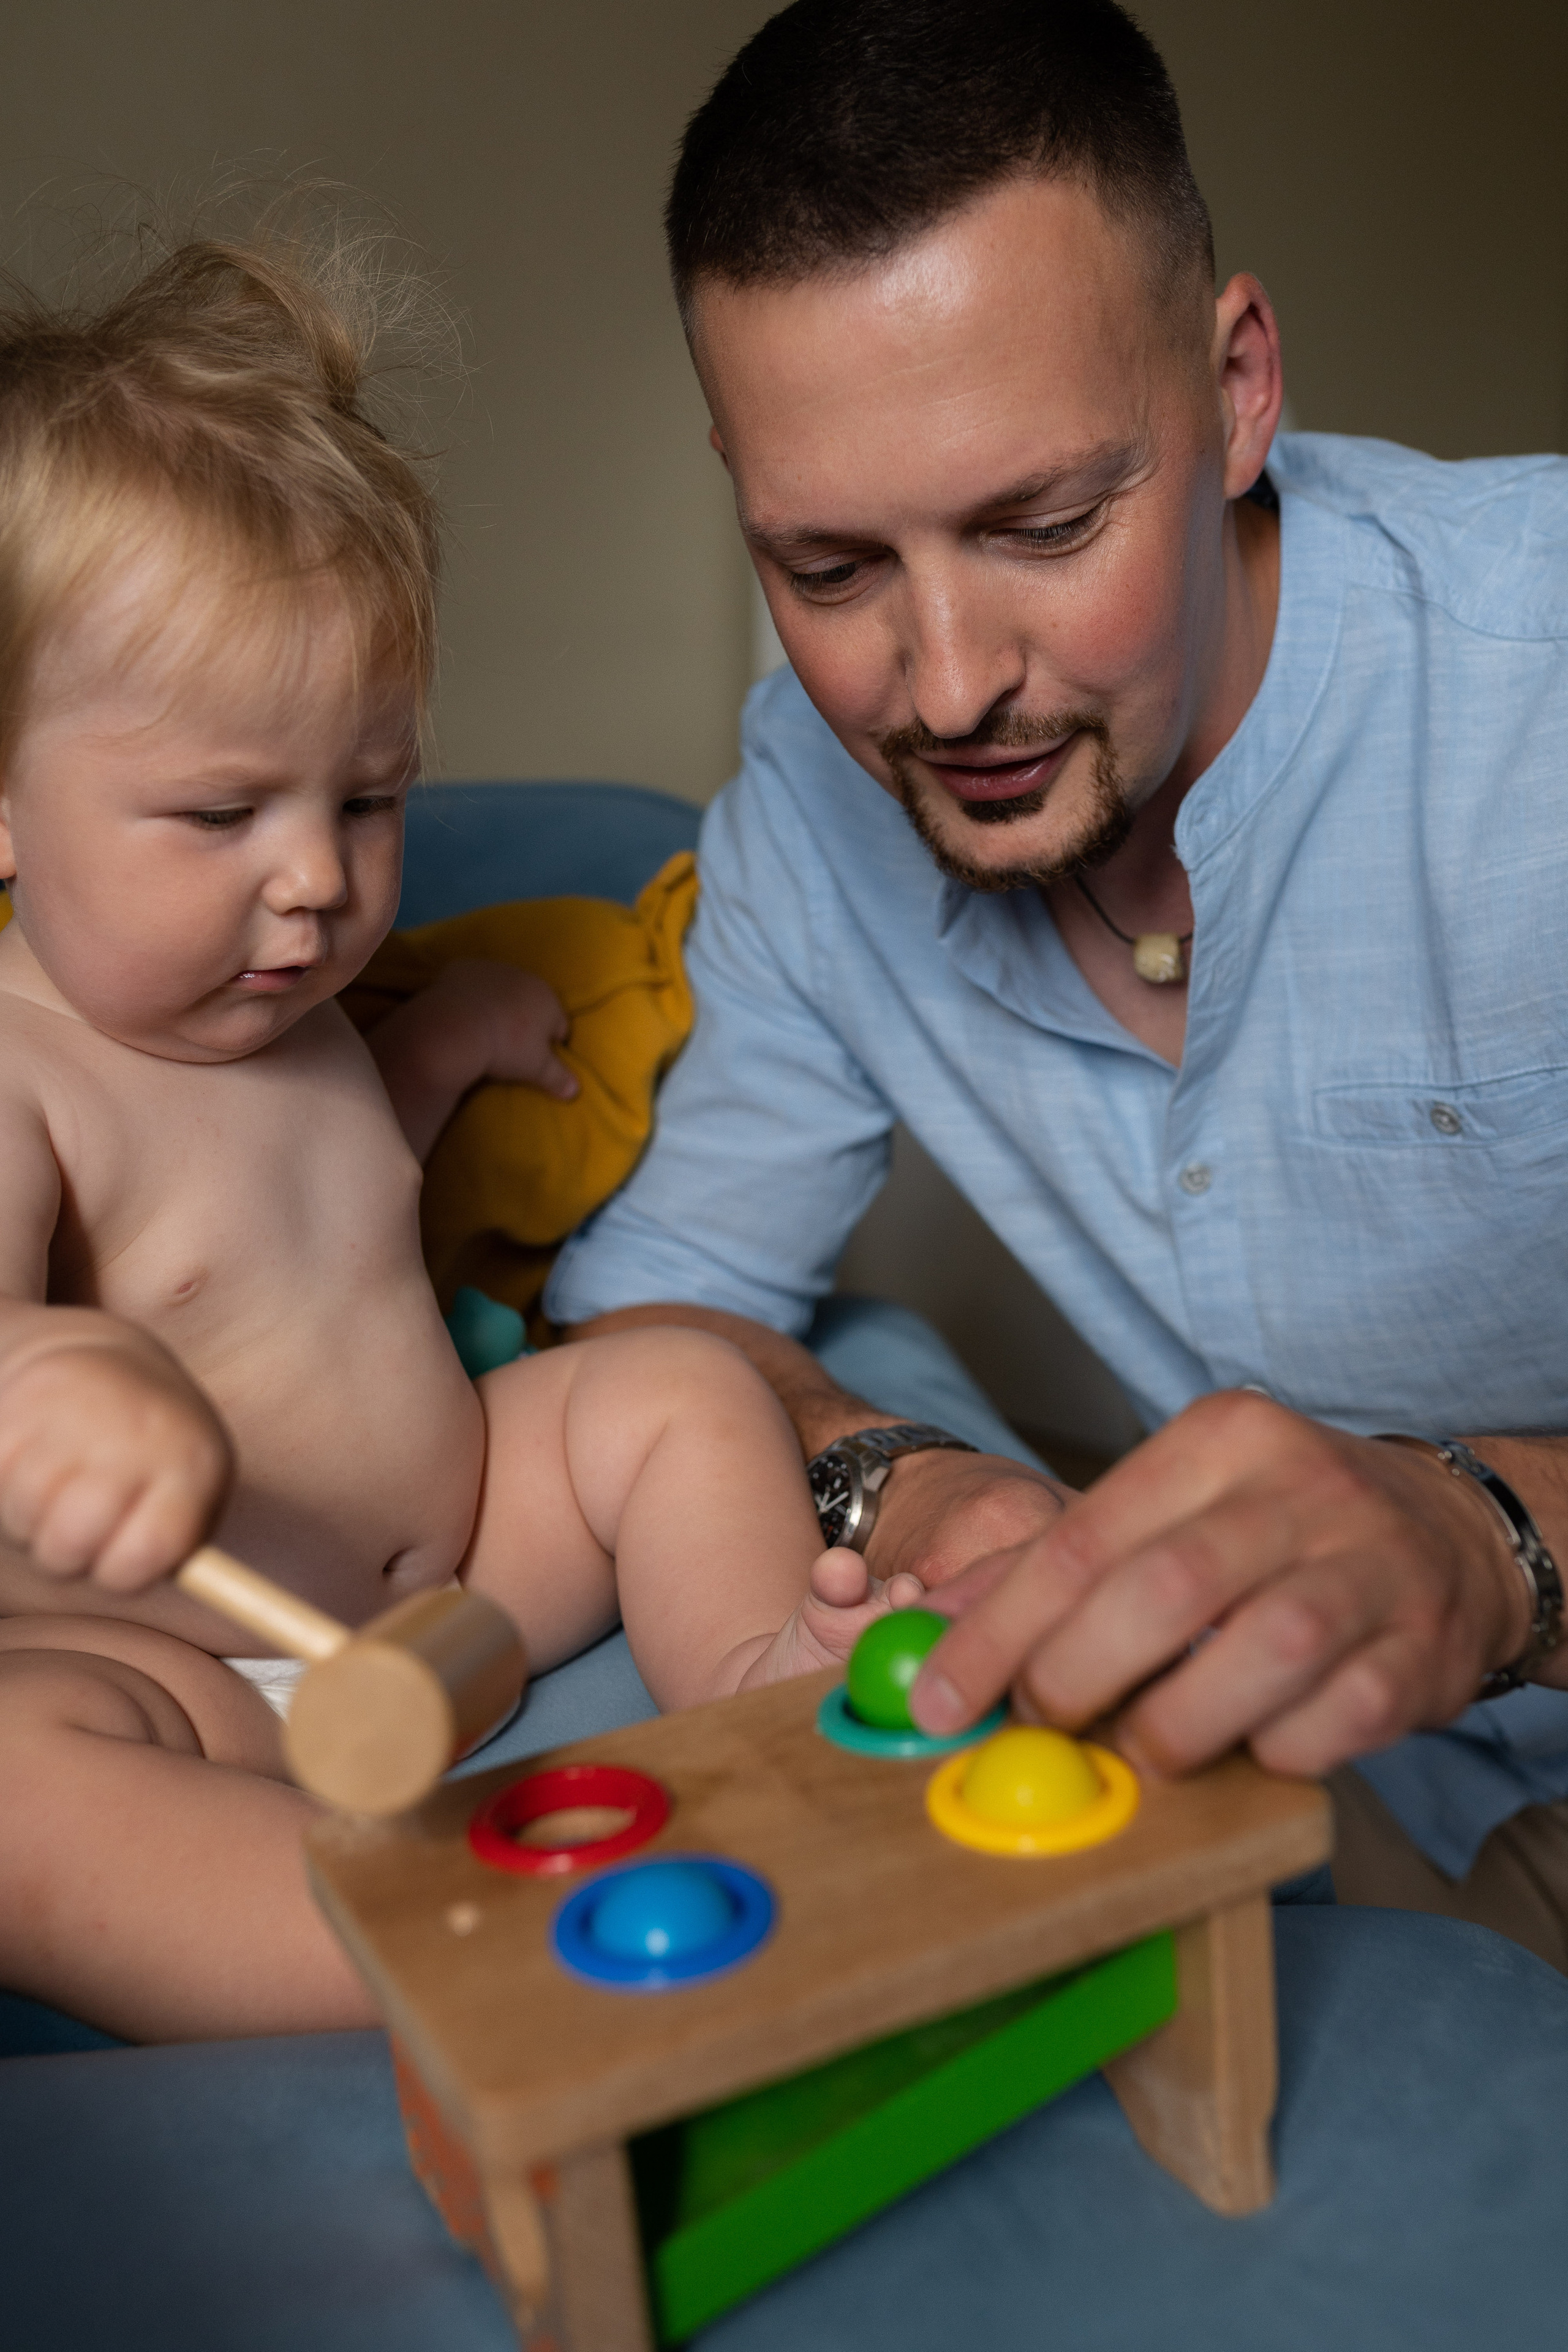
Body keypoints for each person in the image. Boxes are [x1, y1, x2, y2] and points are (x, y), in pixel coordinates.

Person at [549, 0, 1568, 1963]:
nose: (942, 691)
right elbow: (653, 1311)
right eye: (831, 566)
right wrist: (905, 1487)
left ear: (1241, 385)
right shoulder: (805, 809)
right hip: (1323, 1822)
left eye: (1042, 524)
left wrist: (1488, 1539)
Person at [0, 228, 911, 2044]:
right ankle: (387, 1954)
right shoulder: (24, 1075)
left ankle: (754, 1684)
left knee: (670, 1392)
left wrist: (452, 1056)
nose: (318, 877)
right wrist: (49, 1378)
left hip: (475, 1581)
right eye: (217, 811)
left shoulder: (315, 1012)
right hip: (200, 1671)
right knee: (14, 1787)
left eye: (368, 795)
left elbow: (325, 1230)